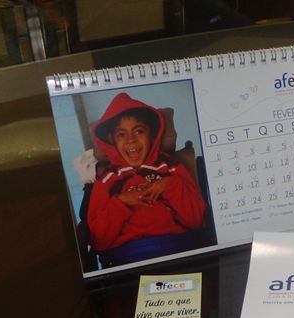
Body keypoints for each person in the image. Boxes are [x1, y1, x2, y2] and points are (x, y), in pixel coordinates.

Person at [88, 92, 207, 264]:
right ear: (111, 139)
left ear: (152, 135)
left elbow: (196, 220)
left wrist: (170, 185)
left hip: (179, 249)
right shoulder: (106, 180)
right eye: (121, 134)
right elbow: (99, 241)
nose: (130, 140)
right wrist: (122, 202)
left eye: (139, 131)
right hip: (130, 257)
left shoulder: (172, 168)